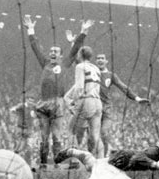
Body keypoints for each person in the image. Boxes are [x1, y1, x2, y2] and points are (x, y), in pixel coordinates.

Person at [23, 15, 94, 168]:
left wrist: (83, 32)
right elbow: (36, 47)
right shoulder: (45, 63)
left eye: (55, 51)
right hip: (43, 103)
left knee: (56, 136)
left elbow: (75, 49)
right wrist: (30, 30)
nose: (52, 53)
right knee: (43, 136)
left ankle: (56, 162)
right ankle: (42, 164)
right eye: (51, 51)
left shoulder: (65, 63)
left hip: (57, 103)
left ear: (61, 55)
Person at [63, 38, 149, 156]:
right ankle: (95, 158)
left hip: (103, 109)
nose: (100, 60)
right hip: (96, 106)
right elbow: (79, 61)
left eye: (102, 58)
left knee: (100, 133)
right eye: (98, 58)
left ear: (106, 61)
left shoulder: (110, 75)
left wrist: (137, 98)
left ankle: (101, 157)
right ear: (94, 59)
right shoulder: (94, 69)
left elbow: (123, 87)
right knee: (91, 137)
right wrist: (73, 44)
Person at [55, 135, 159, 172]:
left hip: (127, 159)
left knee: (96, 164)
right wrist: (157, 165)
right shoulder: (154, 152)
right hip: (123, 158)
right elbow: (137, 158)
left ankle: (73, 150)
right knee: (93, 167)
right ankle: (72, 151)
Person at [67, 46, 104, 158]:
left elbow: (79, 88)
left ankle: (74, 161)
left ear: (80, 55)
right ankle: (101, 161)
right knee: (95, 135)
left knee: (71, 130)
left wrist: (73, 102)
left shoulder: (80, 67)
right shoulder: (96, 68)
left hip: (86, 101)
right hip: (98, 102)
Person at [9, 98, 38, 168]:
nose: (31, 103)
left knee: (29, 147)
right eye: (30, 101)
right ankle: (13, 160)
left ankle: (29, 164)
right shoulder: (22, 106)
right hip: (21, 128)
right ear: (27, 100)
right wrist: (14, 111)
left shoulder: (34, 107)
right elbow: (13, 109)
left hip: (29, 129)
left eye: (32, 101)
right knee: (20, 146)